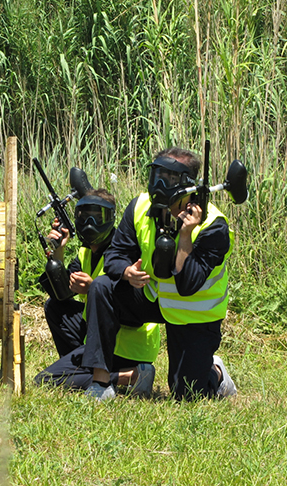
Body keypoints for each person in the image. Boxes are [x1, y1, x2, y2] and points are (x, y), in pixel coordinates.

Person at [81, 147, 238, 401]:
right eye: (157, 176)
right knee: (101, 286)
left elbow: (188, 285)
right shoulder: (140, 206)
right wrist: (127, 271)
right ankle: (100, 384)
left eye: (170, 178)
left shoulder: (214, 226)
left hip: (193, 313)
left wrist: (185, 235)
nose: (160, 184)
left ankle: (216, 372)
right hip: (152, 297)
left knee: (187, 394)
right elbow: (114, 256)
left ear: (188, 185)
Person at [33, 188, 160, 396]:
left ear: (110, 218)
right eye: (84, 216)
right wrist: (58, 250)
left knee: (46, 380)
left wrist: (94, 289)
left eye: (98, 216)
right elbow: (61, 293)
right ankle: (83, 368)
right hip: (101, 338)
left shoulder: (123, 252)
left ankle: (130, 375)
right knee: (55, 306)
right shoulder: (85, 252)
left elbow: (129, 308)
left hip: (128, 345)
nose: (90, 222)